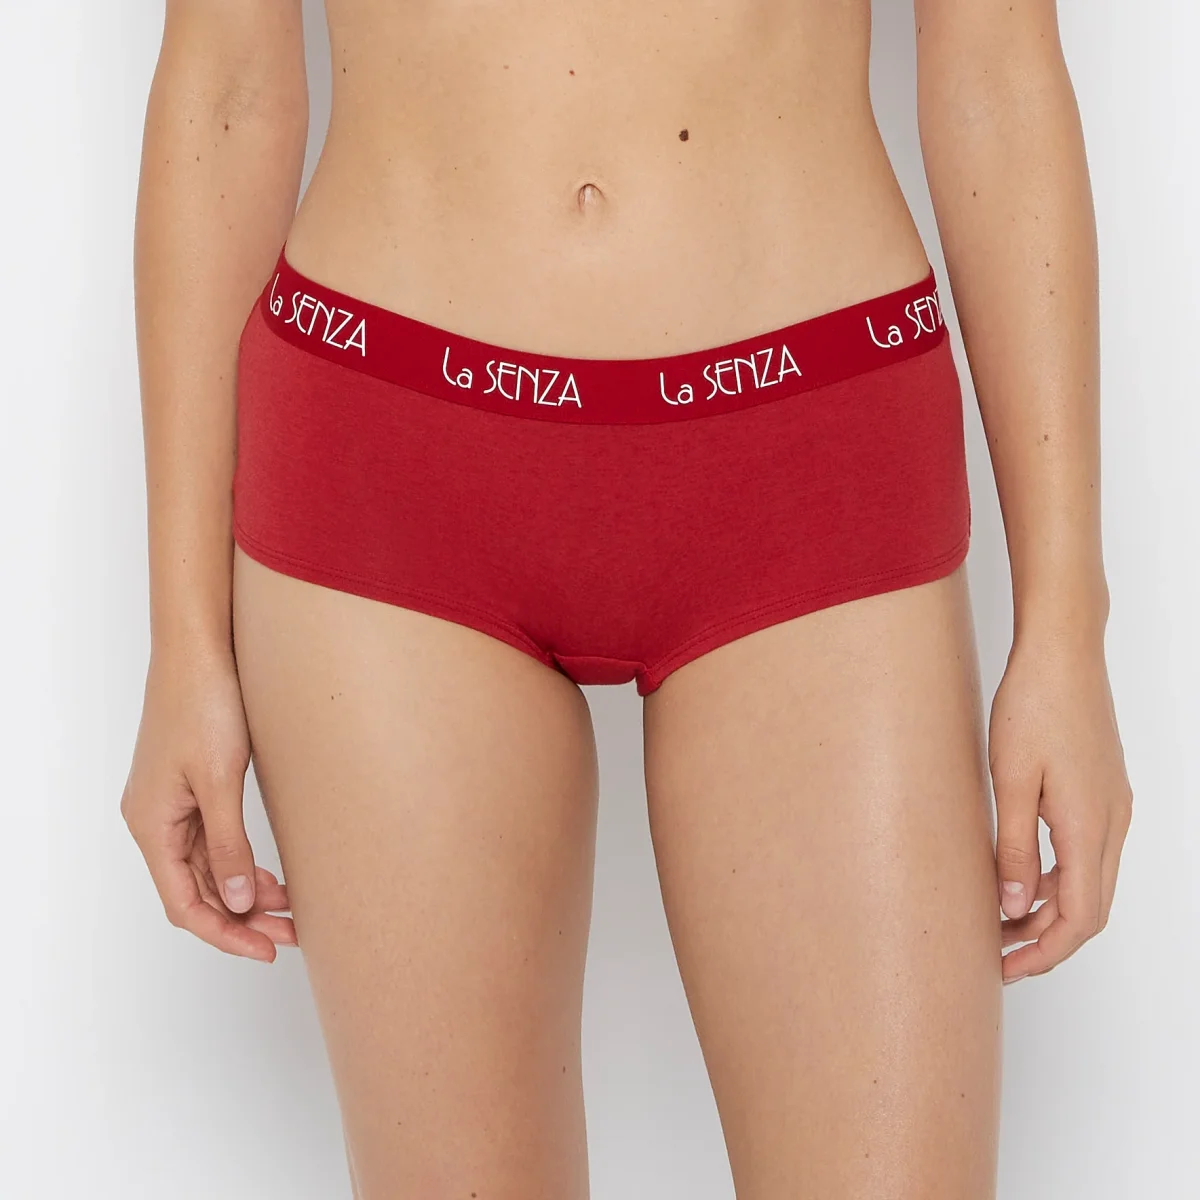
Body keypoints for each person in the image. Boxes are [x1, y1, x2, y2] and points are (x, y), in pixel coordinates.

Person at [121, 1, 1133, 1195]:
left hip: (807, 442)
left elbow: (996, 71)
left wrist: (1066, 626)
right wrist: (183, 640)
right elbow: (227, 85)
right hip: (390, 448)